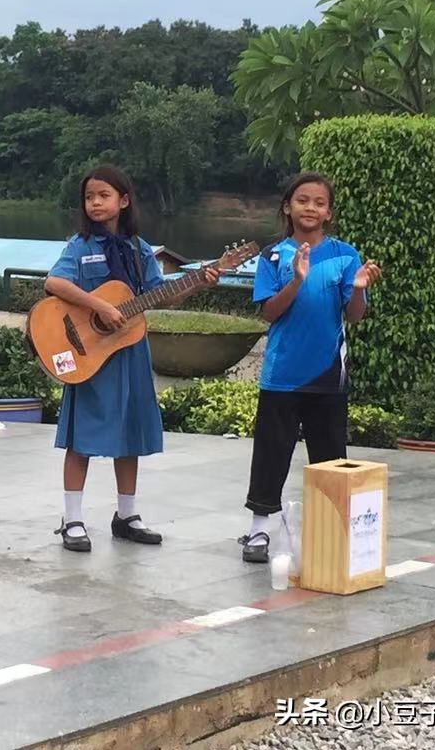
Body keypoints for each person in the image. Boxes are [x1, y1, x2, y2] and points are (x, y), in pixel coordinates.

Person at [45, 165, 220, 553]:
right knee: (82, 437)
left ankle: (127, 515)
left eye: (103, 196)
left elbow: (160, 295)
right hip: (92, 355)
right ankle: (72, 518)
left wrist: (198, 283)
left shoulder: (139, 250)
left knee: (131, 433)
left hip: (130, 353)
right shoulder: (80, 246)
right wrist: (98, 308)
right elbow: (54, 282)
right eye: (89, 197)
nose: (95, 203)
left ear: (123, 201)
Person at [238, 172, 382, 564]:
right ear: (288, 206)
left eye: (319, 203)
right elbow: (270, 311)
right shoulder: (273, 257)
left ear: (328, 212)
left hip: (328, 377)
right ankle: (259, 531)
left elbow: (355, 316)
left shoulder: (344, 255)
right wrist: (296, 280)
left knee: (331, 457)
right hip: (282, 374)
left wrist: (356, 288)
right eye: (303, 200)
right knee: (271, 452)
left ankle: (331, 531)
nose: (310, 208)